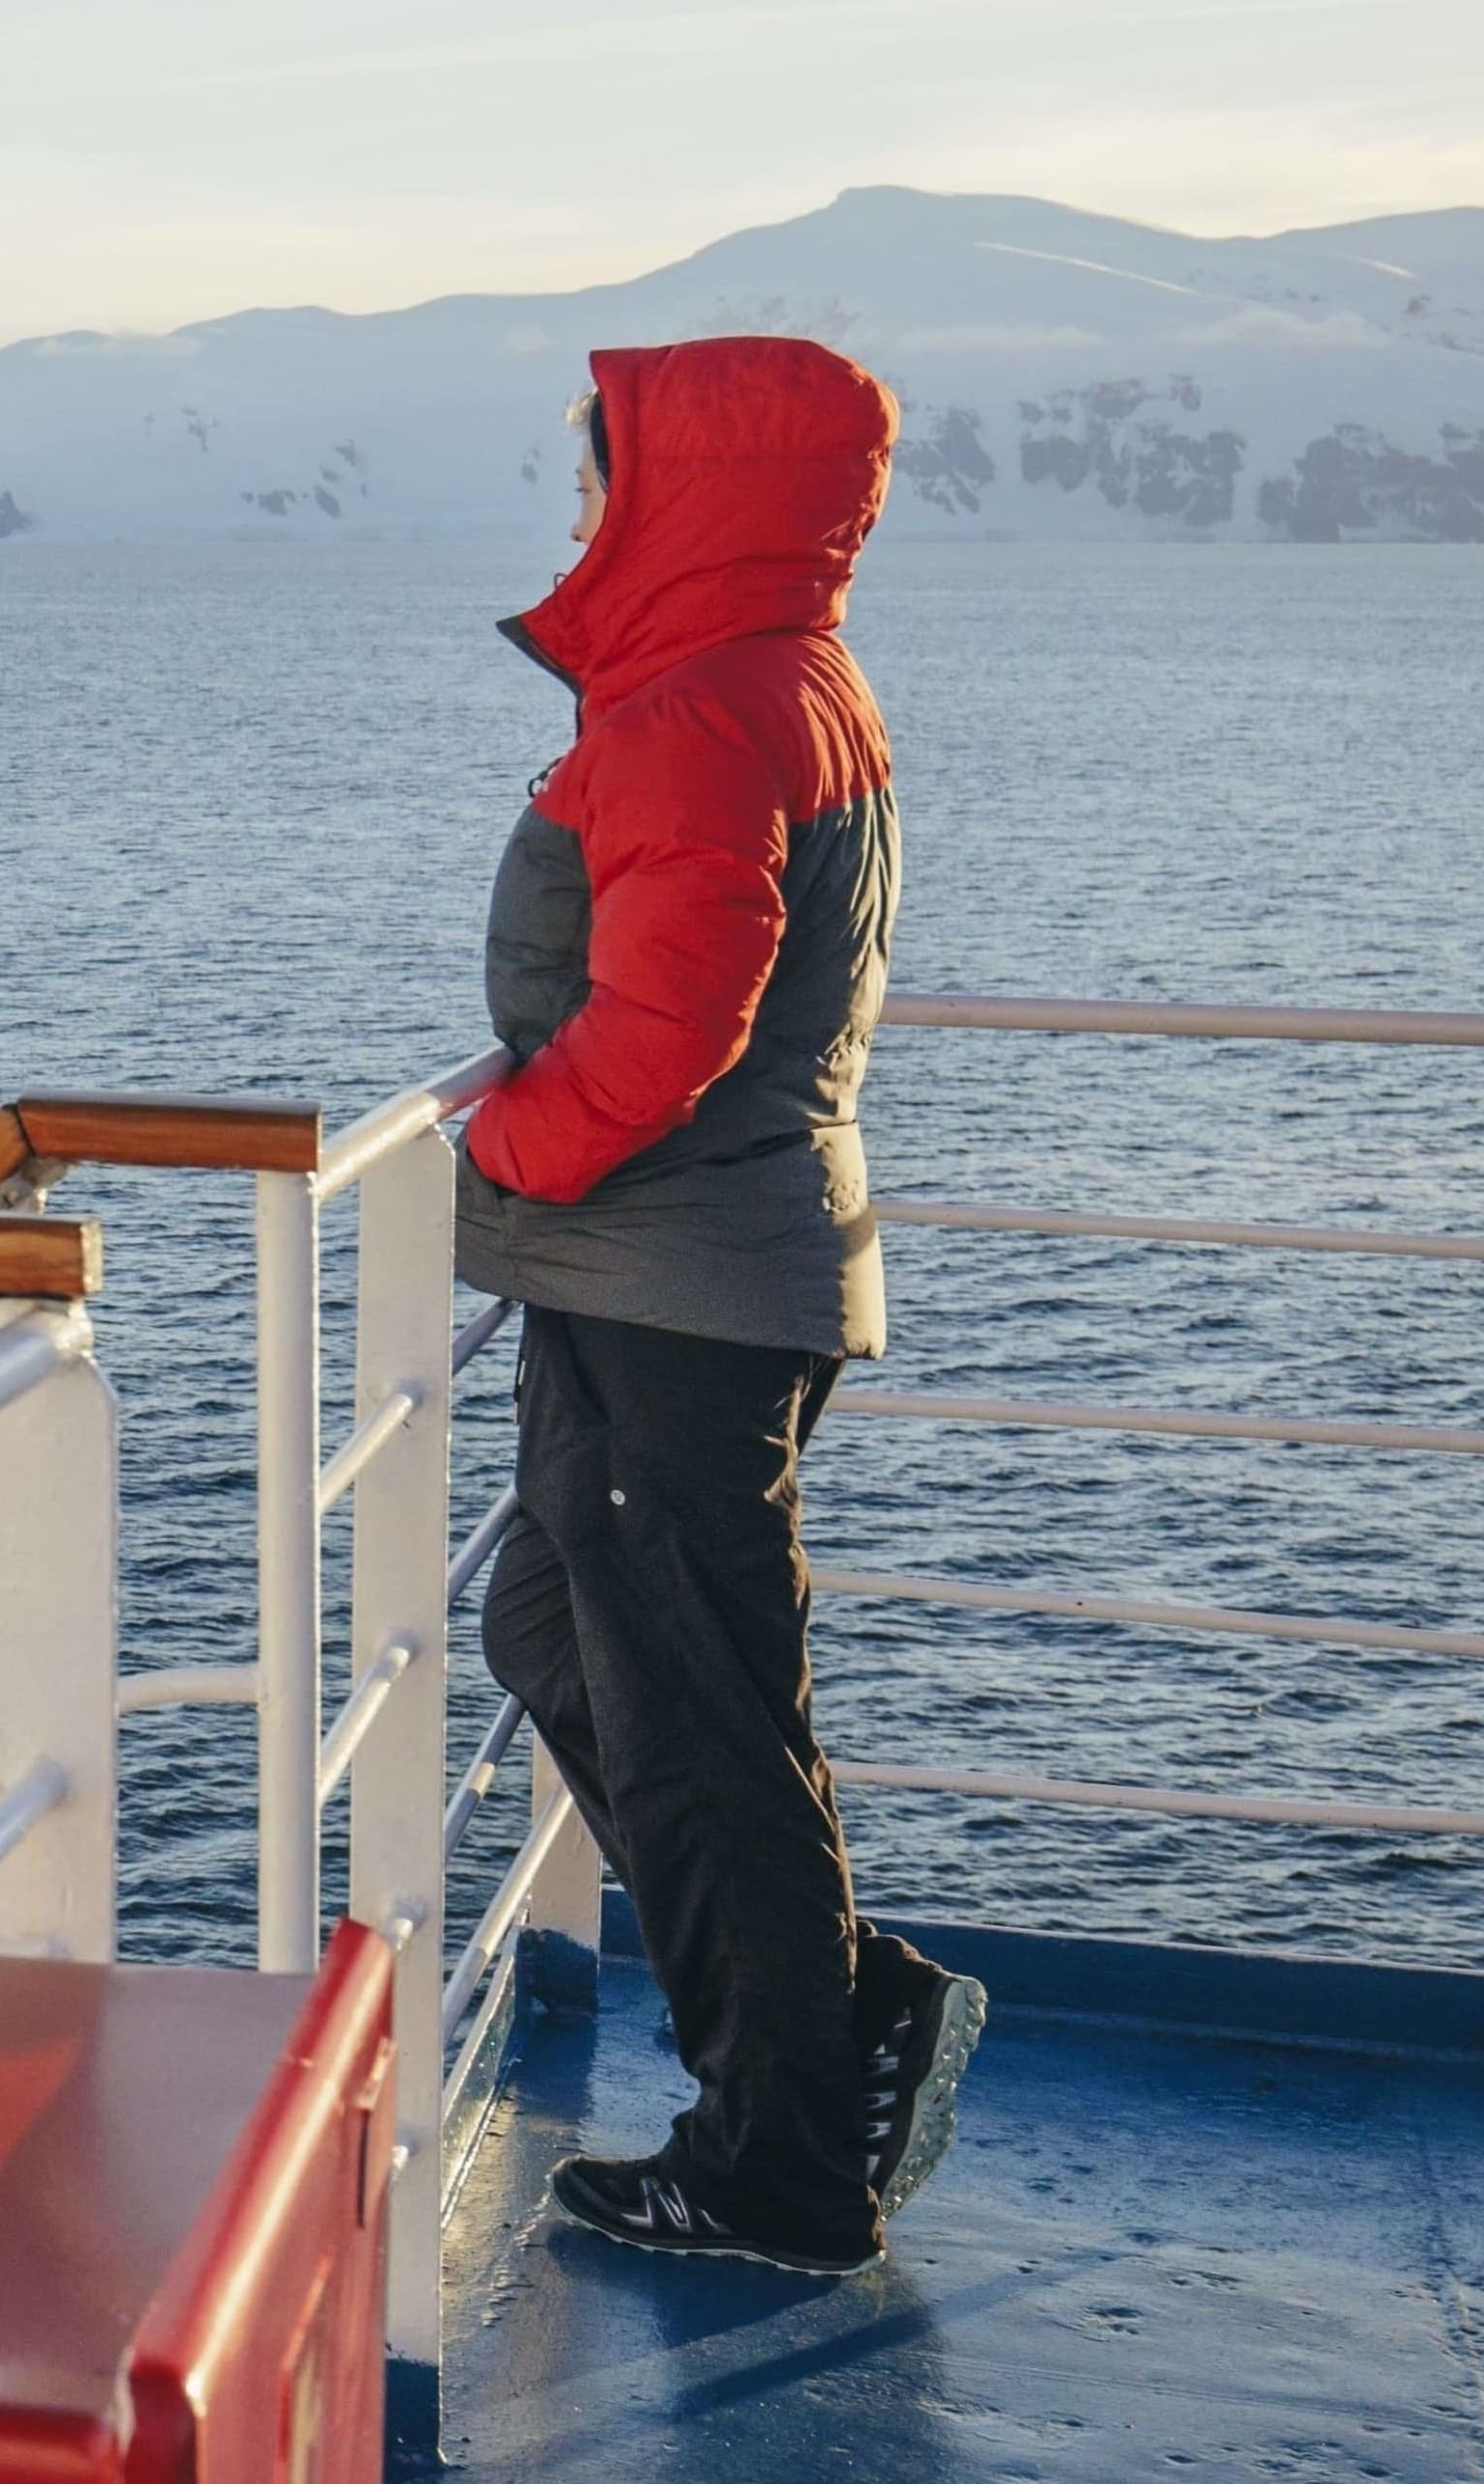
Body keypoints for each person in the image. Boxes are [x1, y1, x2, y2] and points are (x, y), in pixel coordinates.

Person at [456, 335, 986, 2276]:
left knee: (699, 1719)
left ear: (680, 488)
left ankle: (778, 2159)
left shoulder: (691, 702)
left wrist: (508, 1144)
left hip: (667, 1276)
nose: (579, 510)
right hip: (709, 1265)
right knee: (563, 1630)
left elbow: (669, 1015)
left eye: (594, 475)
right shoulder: (785, 677)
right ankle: (824, 2023)